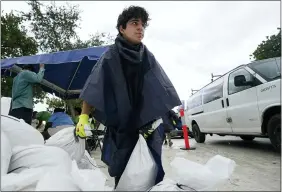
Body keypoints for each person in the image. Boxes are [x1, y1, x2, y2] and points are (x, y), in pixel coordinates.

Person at [75, 6, 181, 188]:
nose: (140, 28)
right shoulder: (110, 57)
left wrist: (168, 113)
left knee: (150, 169)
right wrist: (84, 116)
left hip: (148, 125)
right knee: (124, 171)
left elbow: (158, 88)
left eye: (143, 25)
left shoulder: (147, 57)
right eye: (134, 23)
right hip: (122, 125)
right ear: (121, 29)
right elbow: (95, 85)